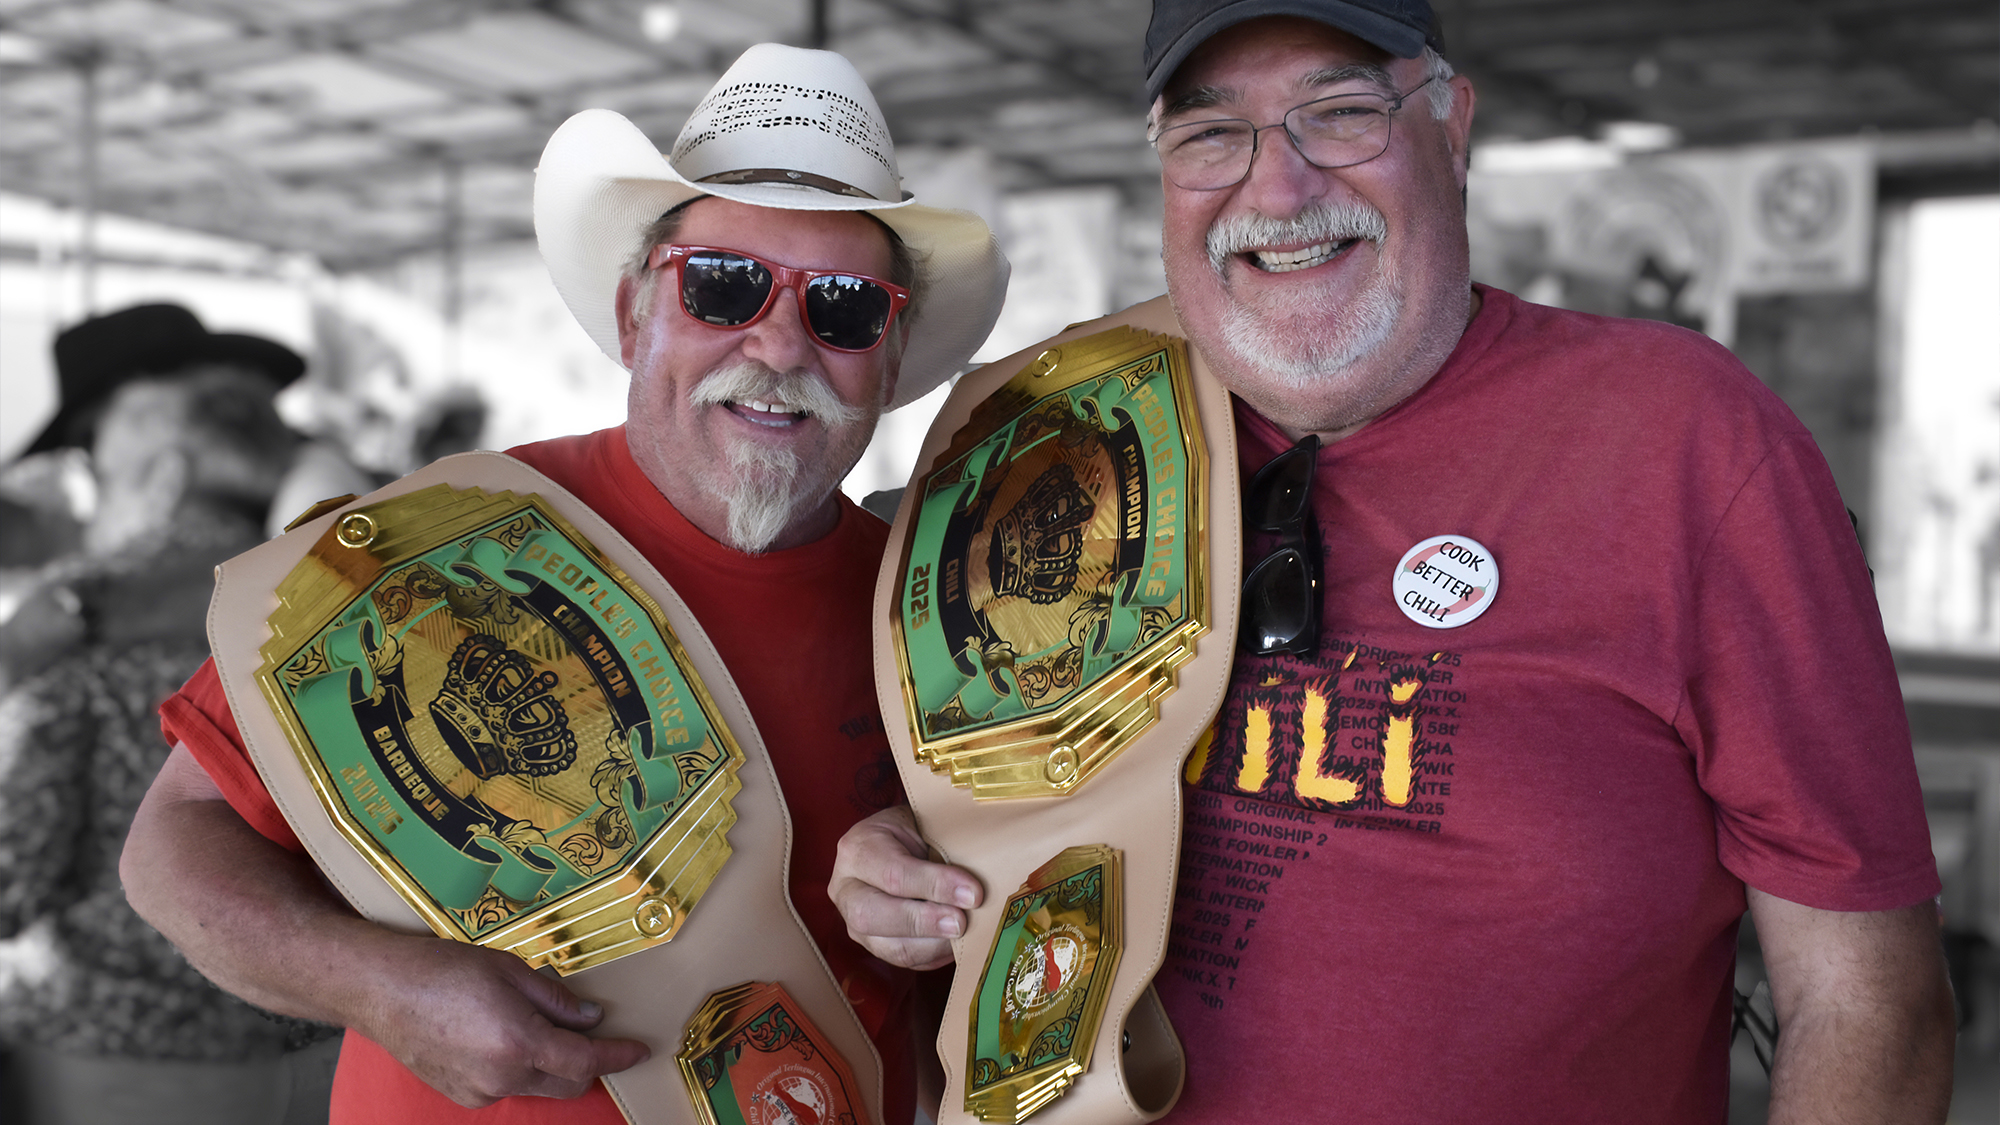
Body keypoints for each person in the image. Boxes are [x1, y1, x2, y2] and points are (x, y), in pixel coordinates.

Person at [828, 2, 1957, 1121]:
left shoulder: (1685, 444)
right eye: (1211, 135)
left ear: (1452, 127)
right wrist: (916, 858)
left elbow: (1867, 1005)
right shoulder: (1050, 450)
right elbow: (1001, 825)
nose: (1276, 187)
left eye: (1340, 112)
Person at [120, 44, 1006, 1125]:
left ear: (891, 344)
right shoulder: (438, 547)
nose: (778, 343)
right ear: (639, 312)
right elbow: (173, 849)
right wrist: (383, 988)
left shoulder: (948, 604)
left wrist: (947, 909)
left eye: (844, 307)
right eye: (723, 286)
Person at [0, 303, 338, 1124]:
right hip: (330, 1041)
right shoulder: (340, 594)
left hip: (126, 1052)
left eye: (94, 459)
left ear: (163, 466)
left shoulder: (76, 616)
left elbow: (10, 872)